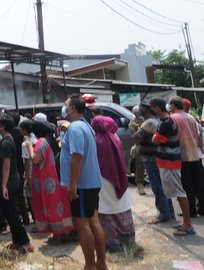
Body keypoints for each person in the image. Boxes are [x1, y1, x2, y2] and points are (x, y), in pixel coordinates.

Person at [60, 95, 107, 270]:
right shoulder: (85, 125)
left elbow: (77, 156)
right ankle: (101, 263)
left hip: (82, 185)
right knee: (93, 222)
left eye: (65, 105)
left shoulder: (75, 128)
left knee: (82, 225)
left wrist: (72, 184)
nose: (63, 108)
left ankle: (90, 265)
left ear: (72, 108)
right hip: (90, 183)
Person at [149, 98, 195, 236]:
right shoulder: (163, 122)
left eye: (152, 107)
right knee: (175, 192)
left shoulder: (167, 123)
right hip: (166, 162)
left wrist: (154, 137)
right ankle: (185, 223)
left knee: (180, 193)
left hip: (170, 162)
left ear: (157, 108)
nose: (151, 110)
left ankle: (188, 224)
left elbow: (156, 140)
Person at [92, 116, 135, 251]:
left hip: (101, 180)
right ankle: (127, 241)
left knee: (105, 212)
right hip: (118, 179)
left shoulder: (94, 141)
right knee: (120, 208)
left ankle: (111, 242)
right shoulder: (115, 139)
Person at [25, 122, 74, 244]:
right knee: (58, 207)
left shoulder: (41, 142)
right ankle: (62, 234)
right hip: (56, 179)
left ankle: (57, 237)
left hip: (48, 182)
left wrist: (30, 147)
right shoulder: (51, 140)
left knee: (50, 207)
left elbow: (35, 158)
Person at [0, 113, 35, 253]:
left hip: (9, 182)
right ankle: (17, 241)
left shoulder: (6, 143)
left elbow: (6, 166)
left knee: (11, 213)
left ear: (3, 126)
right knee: (9, 212)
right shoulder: (8, 139)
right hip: (12, 179)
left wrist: (3, 185)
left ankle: (26, 242)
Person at [132, 101, 175, 223]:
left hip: (151, 158)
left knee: (157, 186)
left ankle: (164, 214)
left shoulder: (149, 122)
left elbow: (136, 137)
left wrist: (137, 131)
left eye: (141, 108)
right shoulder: (156, 120)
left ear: (145, 110)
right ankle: (169, 212)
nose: (138, 109)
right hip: (156, 157)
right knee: (162, 186)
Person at [168, 96, 204, 217]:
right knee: (199, 183)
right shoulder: (191, 117)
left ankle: (191, 211)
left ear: (173, 105)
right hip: (194, 154)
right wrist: (201, 149)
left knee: (187, 185)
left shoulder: (172, 118)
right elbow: (198, 136)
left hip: (182, 156)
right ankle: (202, 209)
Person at [9, 112, 29, 225]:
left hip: (13, 166)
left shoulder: (10, 135)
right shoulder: (21, 134)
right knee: (21, 196)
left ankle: (19, 218)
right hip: (21, 165)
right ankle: (26, 218)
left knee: (14, 195)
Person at [20, 119, 37, 224]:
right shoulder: (37, 139)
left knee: (31, 198)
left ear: (25, 130)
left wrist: (26, 178)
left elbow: (26, 161)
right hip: (38, 171)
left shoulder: (25, 143)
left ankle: (36, 220)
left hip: (30, 172)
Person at [129, 105, 146, 195]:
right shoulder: (133, 123)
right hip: (140, 146)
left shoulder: (147, 119)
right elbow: (136, 137)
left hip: (151, 146)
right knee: (139, 166)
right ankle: (140, 184)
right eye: (137, 114)